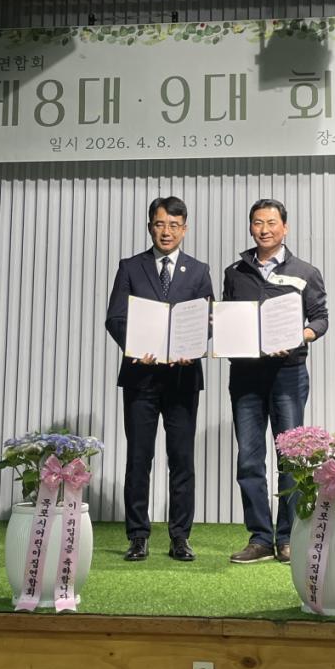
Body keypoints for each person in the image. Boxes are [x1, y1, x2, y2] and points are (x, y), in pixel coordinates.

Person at [106, 196, 214, 562]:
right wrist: (135, 346)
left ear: (185, 229)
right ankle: (138, 536)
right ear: (150, 226)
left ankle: (180, 537)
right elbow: (115, 318)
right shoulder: (130, 267)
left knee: (181, 460)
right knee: (139, 458)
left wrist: (194, 346)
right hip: (141, 378)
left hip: (183, 378)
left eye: (173, 225)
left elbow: (207, 320)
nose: (166, 231)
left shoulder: (198, 271)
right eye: (159, 224)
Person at [223, 198, 328, 564]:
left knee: (291, 459)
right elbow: (229, 318)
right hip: (246, 377)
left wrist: (301, 335)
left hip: (288, 375)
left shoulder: (305, 272)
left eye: (271, 222)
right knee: (249, 460)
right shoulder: (235, 272)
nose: (264, 229)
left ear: (285, 227)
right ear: (250, 227)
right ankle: (260, 538)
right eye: (257, 222)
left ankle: (288, 538)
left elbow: (320, 319)